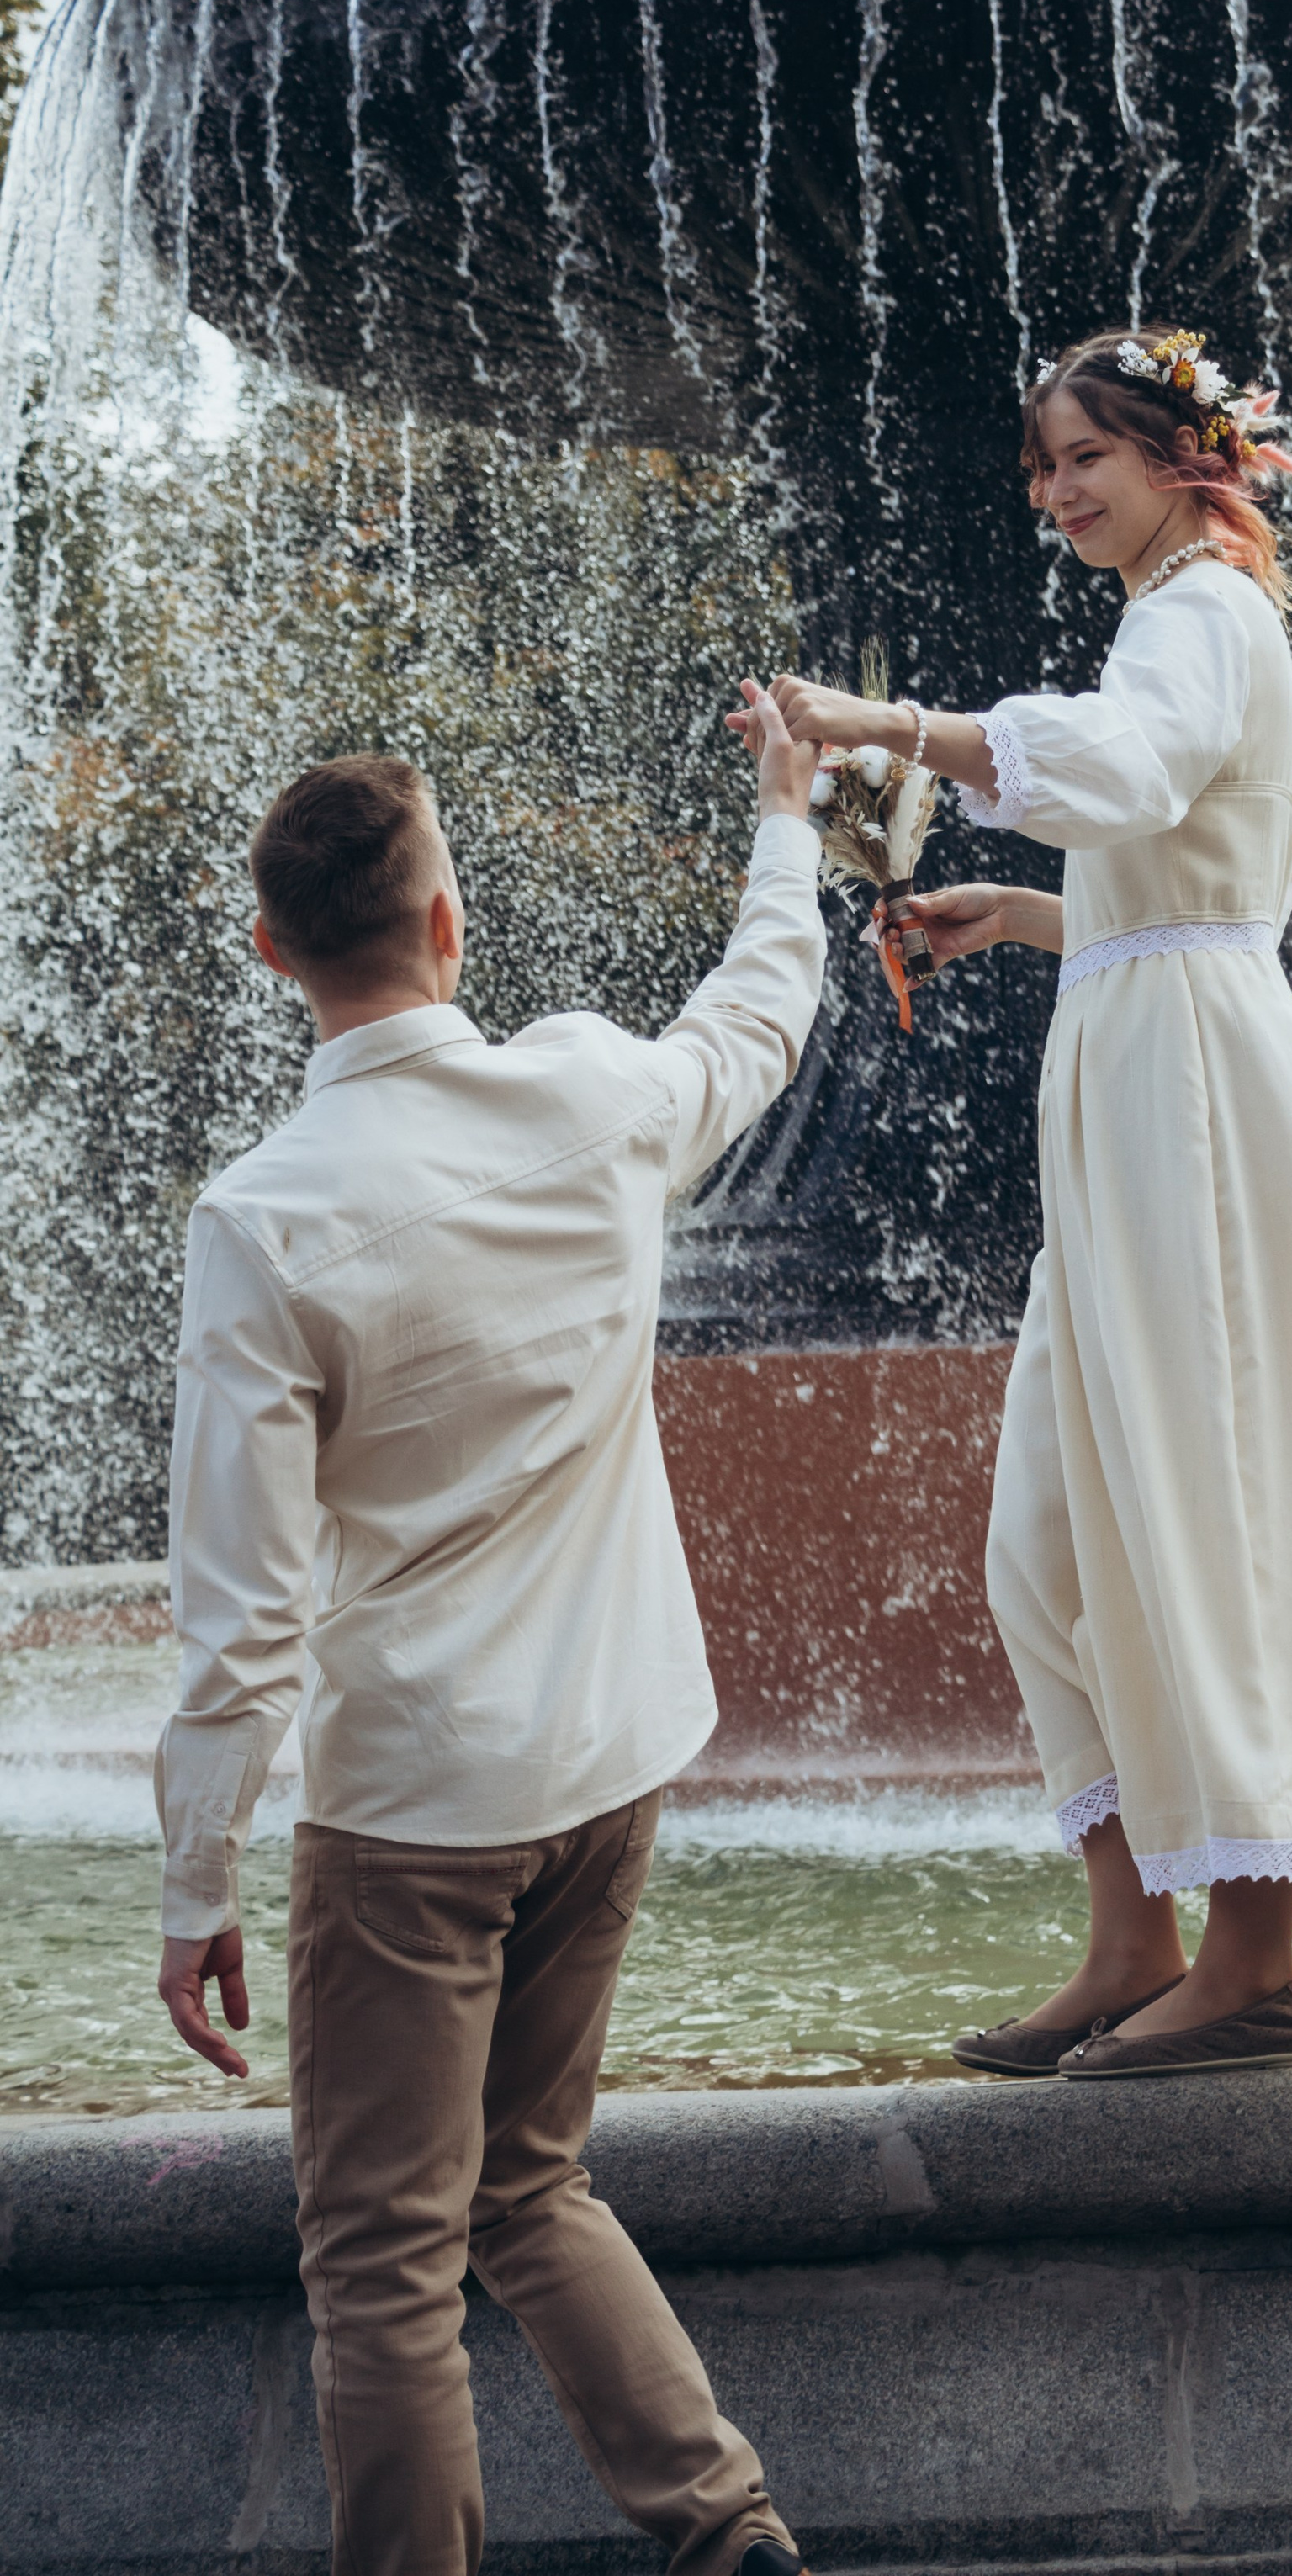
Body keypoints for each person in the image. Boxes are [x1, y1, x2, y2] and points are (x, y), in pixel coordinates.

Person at [760, 325, 1292, 2079]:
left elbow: (1128, 772)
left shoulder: (1202, 612)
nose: (1055, 488)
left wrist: (882, 728)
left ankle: (1250, 1967)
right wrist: (1017, 916)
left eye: (1085, 453)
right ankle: (1126, 1942)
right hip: (1143, 1065)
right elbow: (1167, 862)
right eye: (1040, 464)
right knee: (1058, 1540)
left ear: (1185, 455)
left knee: (1198, 1499)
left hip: (1194, 1099)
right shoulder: (1168, 615)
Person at [154, 694, 823, 2576]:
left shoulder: (265, 1220)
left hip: (414, 1812)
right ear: (451, 926)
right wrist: (786, 819)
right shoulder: (594, 1097)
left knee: (380, 2267)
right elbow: (759, 1017)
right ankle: (727, 2537)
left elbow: (241, 1603)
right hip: (609, 1763)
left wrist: (193, 1870)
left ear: (271, 949)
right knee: (528, 2185)